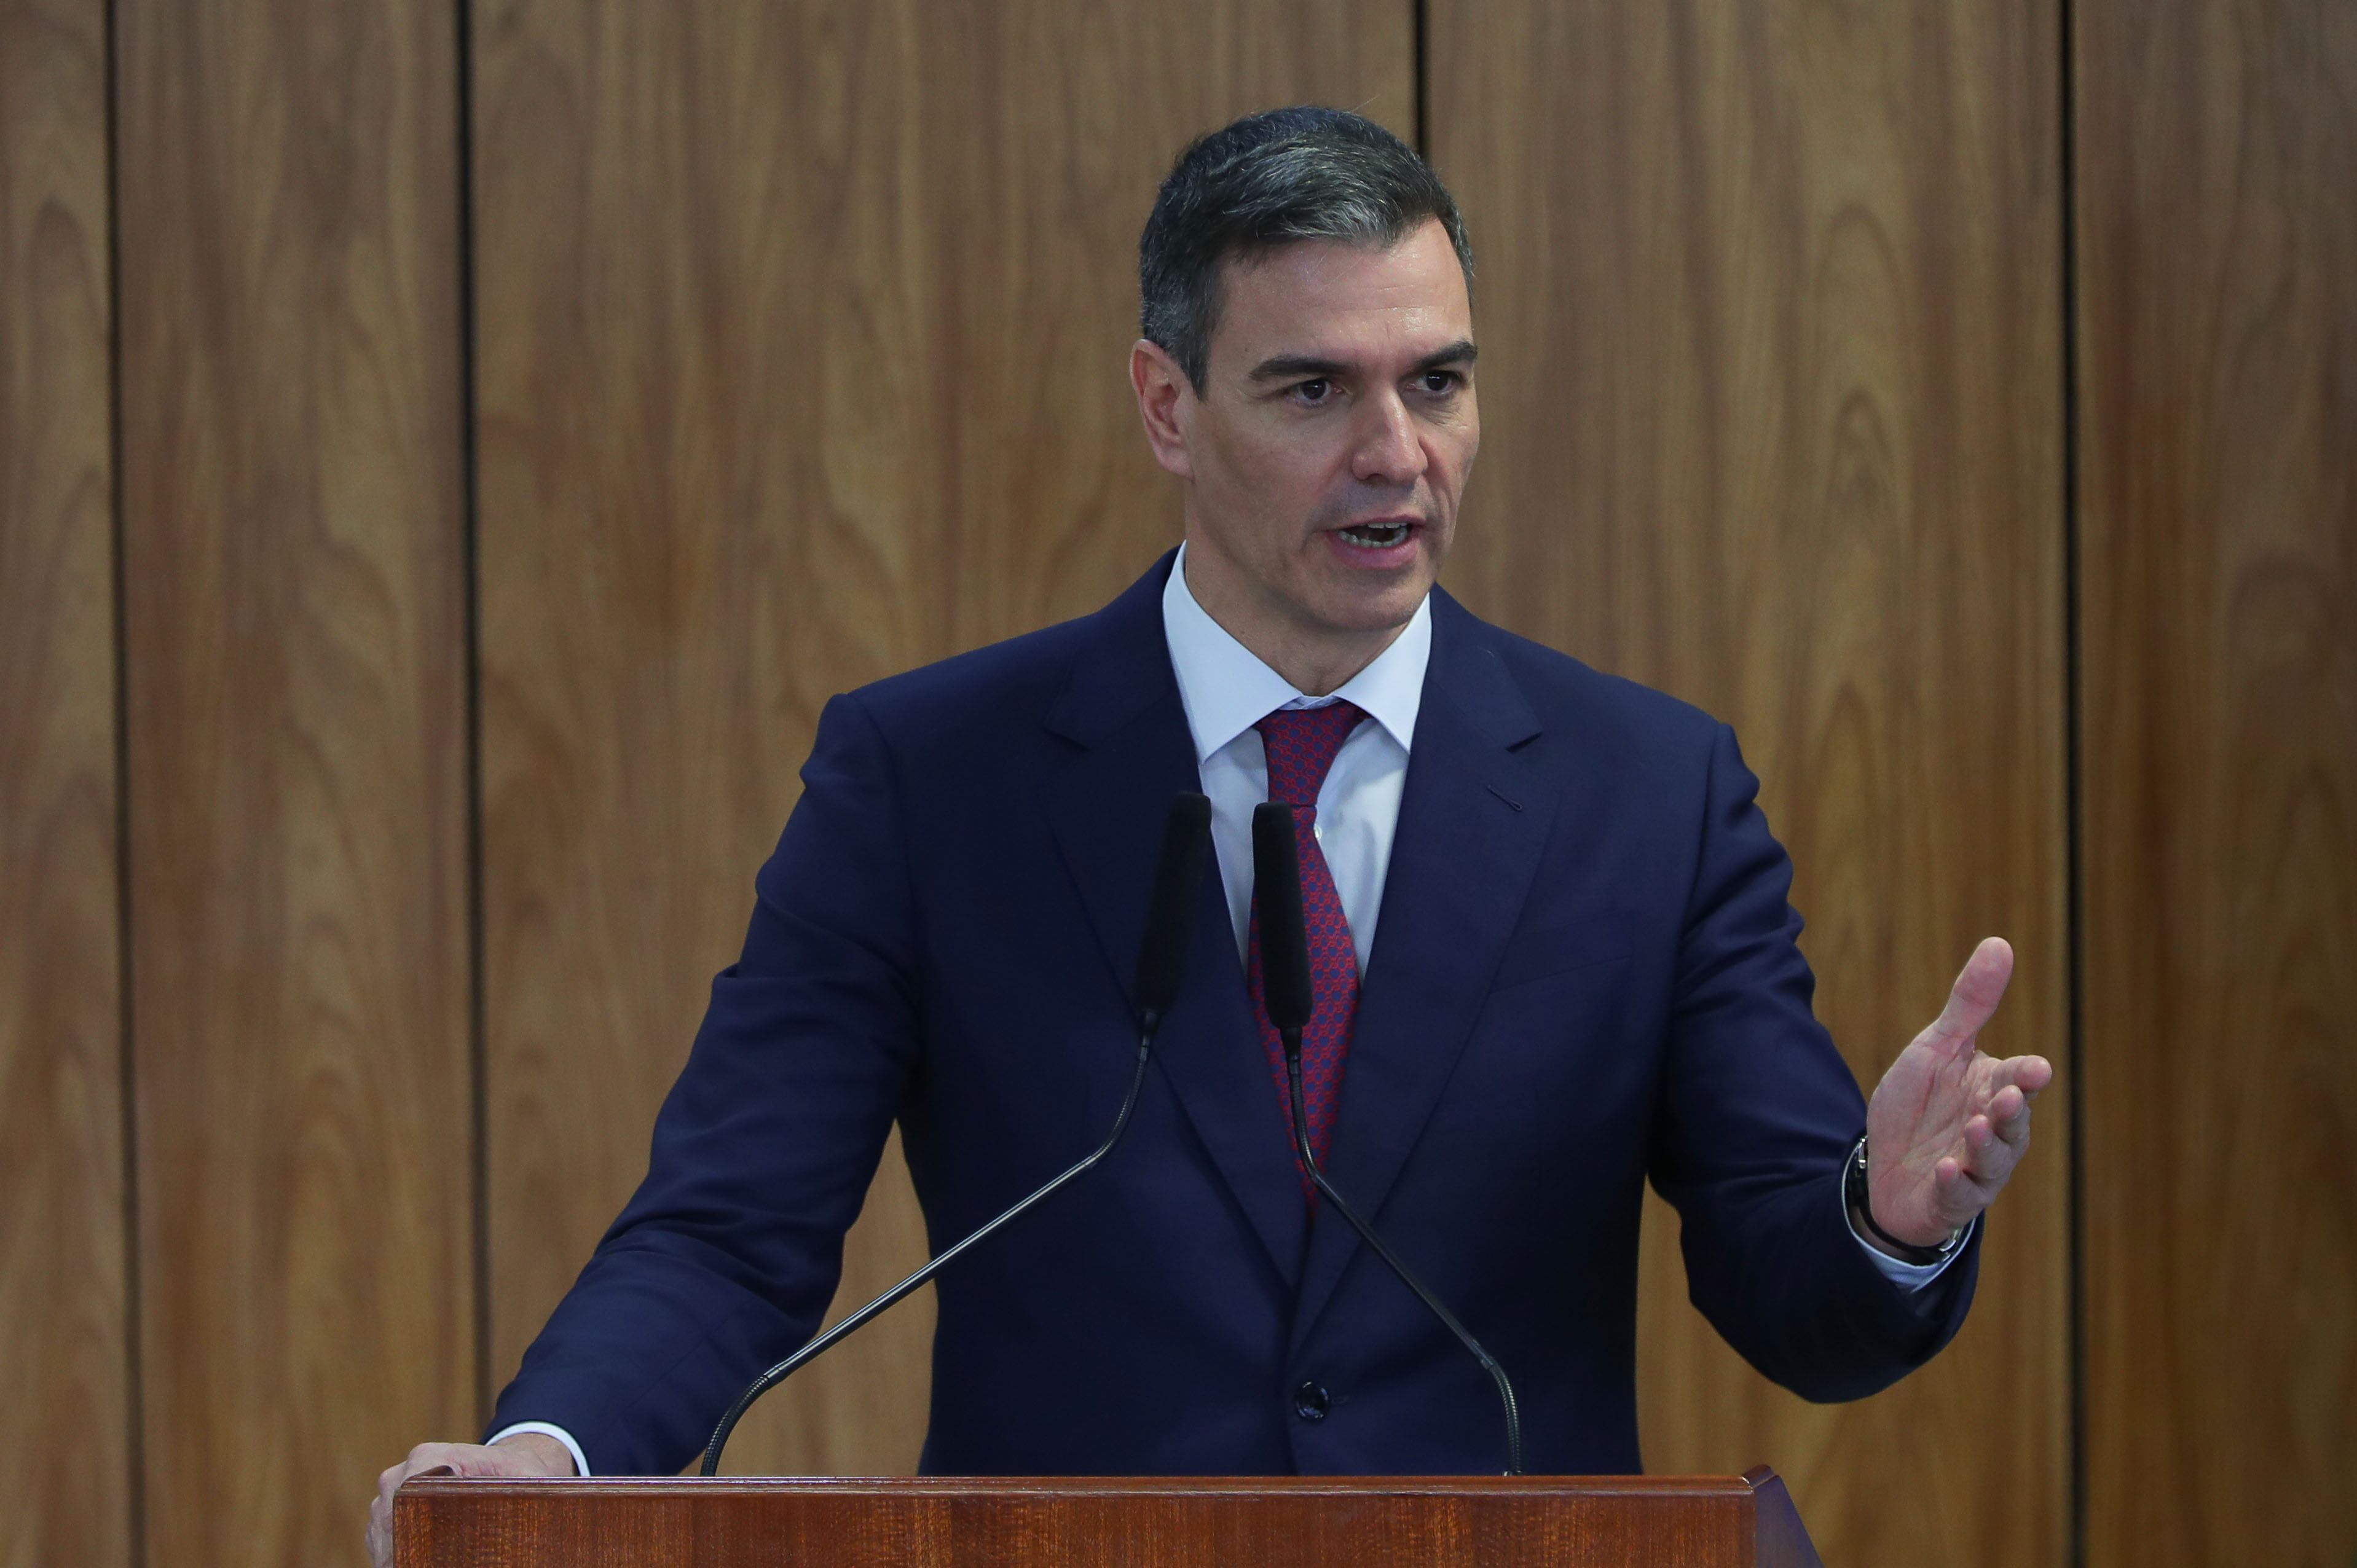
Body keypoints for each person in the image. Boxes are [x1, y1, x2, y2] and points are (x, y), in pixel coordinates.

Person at [369, 106, 2048, 1561]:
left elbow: (1796, 1300)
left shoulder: (1648, 793)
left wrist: (1883, 1221)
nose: (1394, 455)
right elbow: (732, 1228)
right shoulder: (931, 779)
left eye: (1437, 381)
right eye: (1310, 388)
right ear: (1167, 406)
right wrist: (541, 1466)